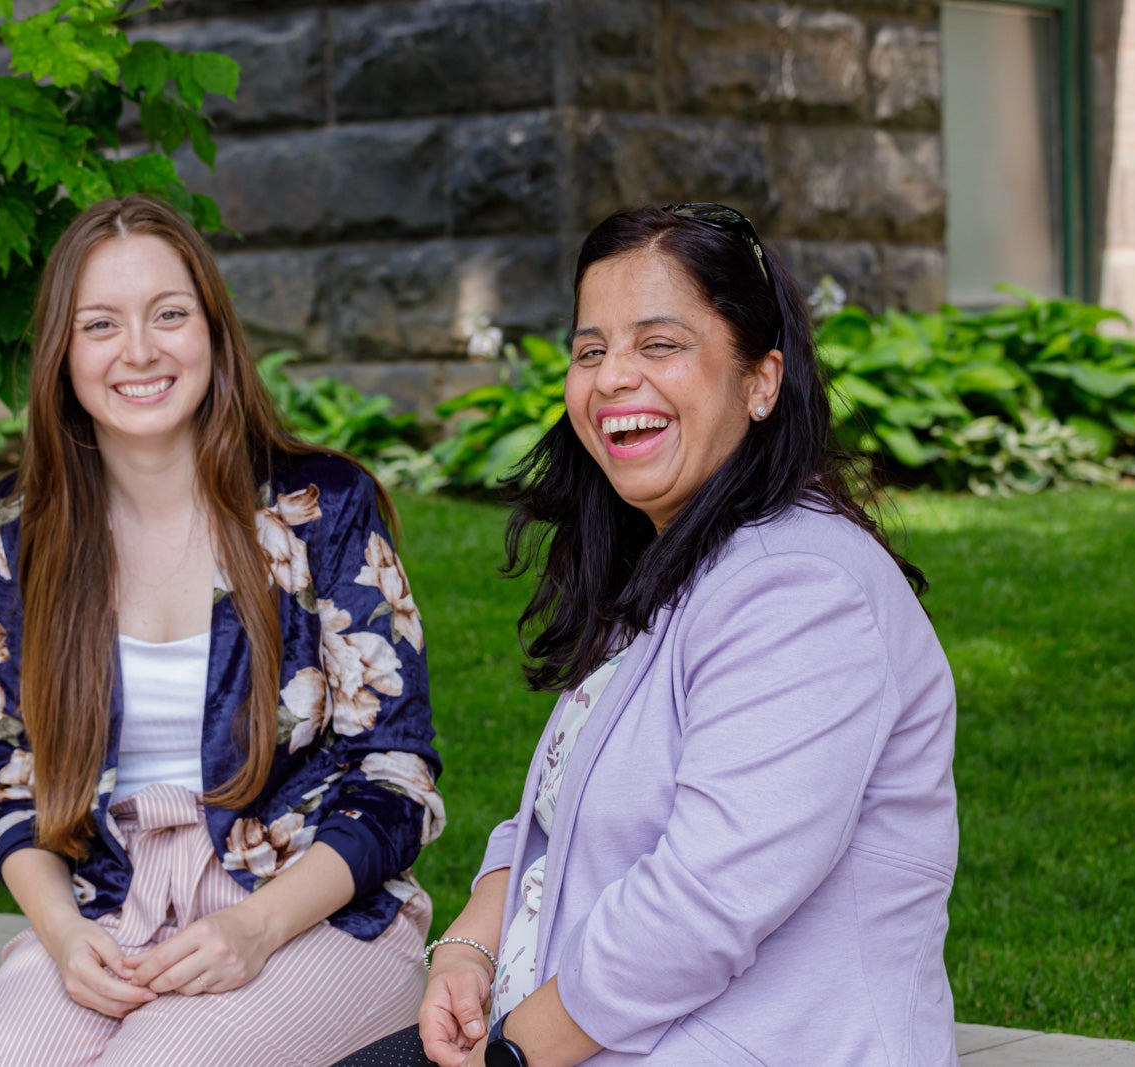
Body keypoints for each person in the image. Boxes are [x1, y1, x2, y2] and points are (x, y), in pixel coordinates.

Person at [337, 204, 958, 1067]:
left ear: (761, 379)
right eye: (591, 350)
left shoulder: (802, 591)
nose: (613, 377)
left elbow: (701, 904)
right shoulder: (673, 570)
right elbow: (559, 813)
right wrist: (469, 949)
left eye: (659, 344)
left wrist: (512, 1054)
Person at [0, 196, 445, 1066]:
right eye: (99, 324)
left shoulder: (320, 507)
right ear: (62, 355)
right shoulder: (21, 526)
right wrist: (65, 936)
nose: (138, 351)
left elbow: (395, 778)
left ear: (213, 331)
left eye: (168, 315)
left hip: (309, 901)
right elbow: (9, 777)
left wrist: (254, 926)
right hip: (109, 895)